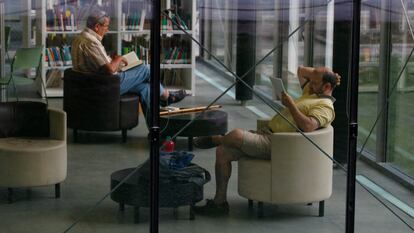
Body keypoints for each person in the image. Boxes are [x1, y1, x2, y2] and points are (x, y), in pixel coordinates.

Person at [193, 66, 341, 215]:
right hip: (266, 134)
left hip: (277, 145)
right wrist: (327, 74)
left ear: (327, 86)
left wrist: (291, 105)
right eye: (312, 81)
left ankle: (218, 139)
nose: (310, 83)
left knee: (236, 135)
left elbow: (308, 126)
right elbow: (301, 70)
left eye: (314, 82)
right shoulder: (312, 91)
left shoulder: (326, 107)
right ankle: (220, 203)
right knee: (223, 152)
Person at [71, 10, 186, 123]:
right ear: (97, 26)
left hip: (94, 83)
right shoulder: (91, 42)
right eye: (106, 26)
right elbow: (110, 69)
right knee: (146, 70)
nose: (107, 29)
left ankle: (155, 127)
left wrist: (112, 59)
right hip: (104, 85)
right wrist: (118, 59)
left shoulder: (80, 38)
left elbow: (98, 65)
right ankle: (167, 96)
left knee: (146, 87)